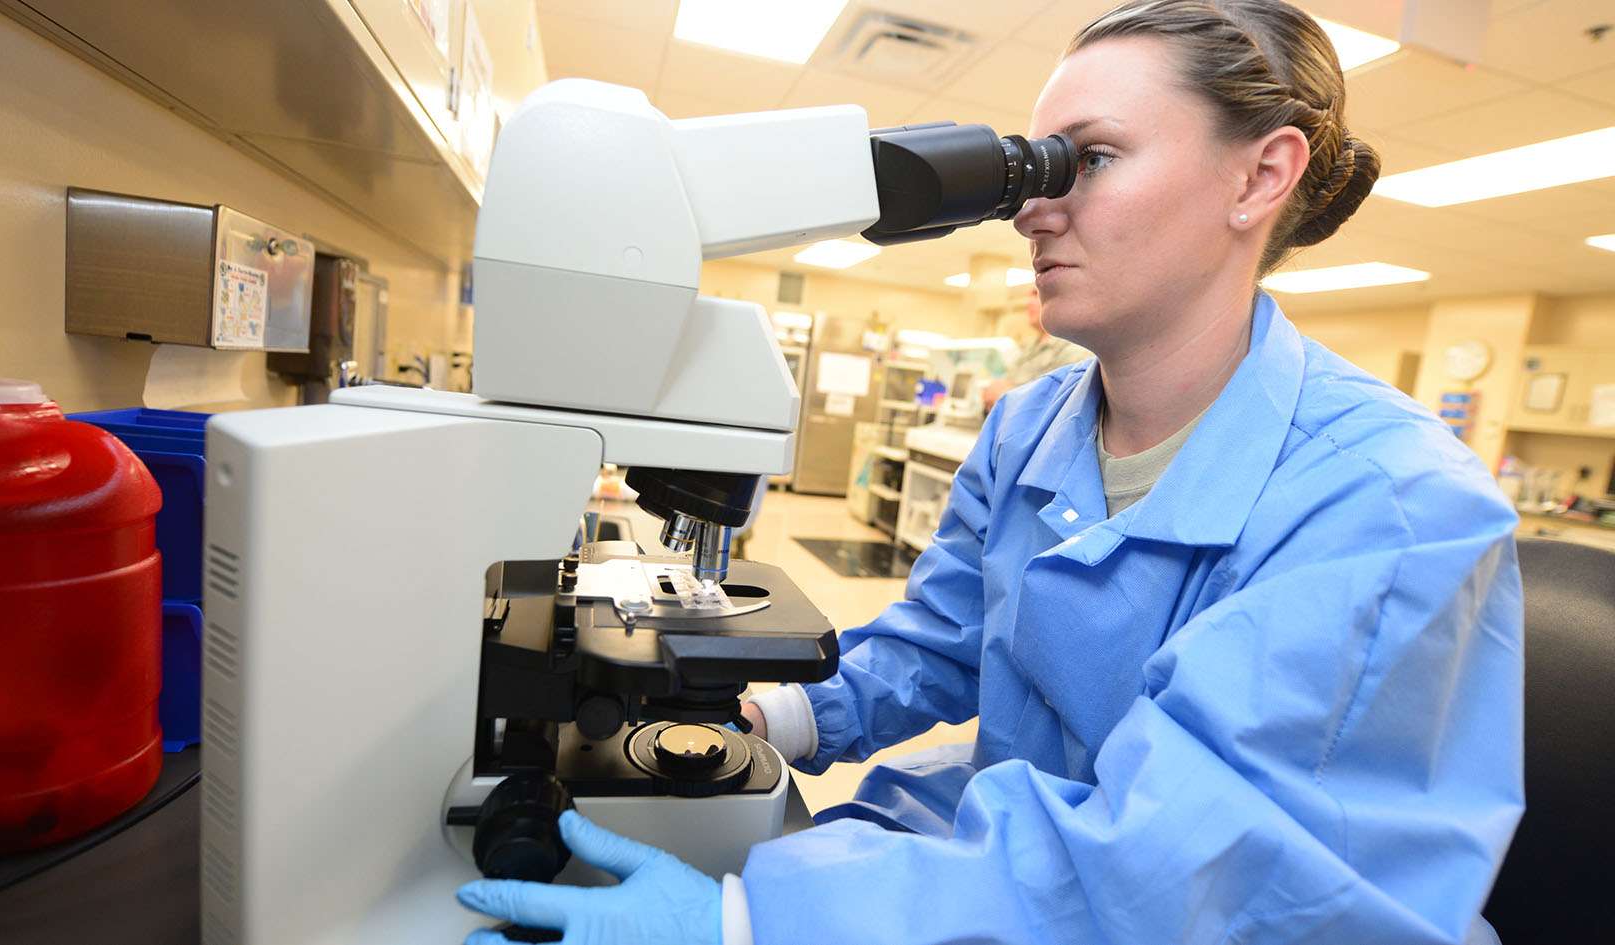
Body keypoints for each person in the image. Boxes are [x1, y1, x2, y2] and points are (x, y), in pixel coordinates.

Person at [455, 1, 1524, 943]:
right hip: (1024, 892)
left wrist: (748, 922)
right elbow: (941, 643)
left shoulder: (1394, 505)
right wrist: (768, 719)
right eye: (1035, 164)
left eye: (1088, 159)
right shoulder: (1032, 426)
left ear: (1262, 173)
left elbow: (1200, 870)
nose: (1030, 206)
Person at [980, 292, 1091, 412]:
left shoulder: (1076, 348)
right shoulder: (1030, 347)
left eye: (1035, 294)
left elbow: (1056, 404)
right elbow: (1008, 380)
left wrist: (1007, 395)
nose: (1029, 302)